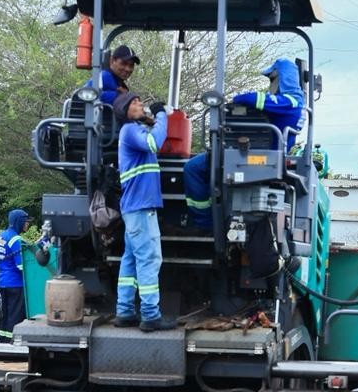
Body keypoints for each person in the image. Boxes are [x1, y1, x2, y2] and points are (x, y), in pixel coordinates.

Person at [183, 57, 307, 228]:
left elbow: (251, 99)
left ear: (282, 78)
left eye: (272, 79)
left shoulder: (290, 101)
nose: (271, 85)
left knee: (192, 168)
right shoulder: (295, 103)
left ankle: (204, 223)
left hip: (260, 156)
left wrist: (236, 99)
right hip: (263, 156)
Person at [112, 91, 174, 332]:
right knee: (149, 259)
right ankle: (150, 315)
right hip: (140, 208)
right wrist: (161, 115)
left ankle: (125, 311)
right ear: (125, 111)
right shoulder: (130, 130)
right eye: (135, 103)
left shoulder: (132, 131)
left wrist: (151, 120)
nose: (140, 105)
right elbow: (154, 143)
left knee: (130, 260)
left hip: (134, 209)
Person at [0, 209, 33, 340]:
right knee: (16, 315)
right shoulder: (15, 239)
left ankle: (3, 341)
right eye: (26, 221)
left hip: (2, 282)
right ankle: (12, 343)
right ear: (18, 222)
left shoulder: (1, 236)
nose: (27, 224)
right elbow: (21, 266)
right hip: (16, 283)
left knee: (6, 315)